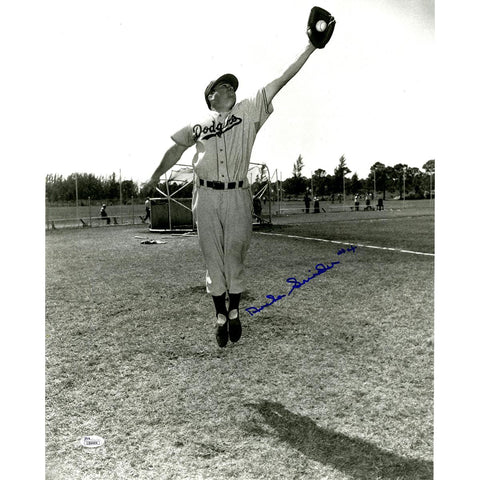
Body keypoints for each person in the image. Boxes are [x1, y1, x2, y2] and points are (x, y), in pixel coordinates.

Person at [150, 38, 324, 348]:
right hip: (205, 196)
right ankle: (220, 316)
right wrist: (154, 175)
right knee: (212, 257)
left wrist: (310, 47)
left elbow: (281, 80)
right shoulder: (198, 125)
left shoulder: (248, 110)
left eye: (233, 87)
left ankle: (234, 312)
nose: (231, 90)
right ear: (210, 97)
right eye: (224, 87)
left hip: (237, 194)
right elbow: (176, 149)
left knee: (234, 254)